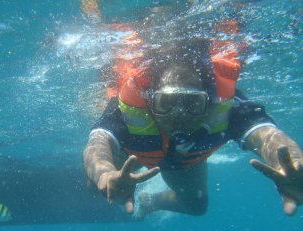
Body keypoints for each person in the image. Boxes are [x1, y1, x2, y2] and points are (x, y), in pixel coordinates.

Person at [82, 34, 303, 220]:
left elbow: (267, 135)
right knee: (96, 188)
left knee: (197, 207)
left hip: (184, 164)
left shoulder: (228, 107)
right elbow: (98, 143)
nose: (179, 115)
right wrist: (104, 174)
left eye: (192, 103)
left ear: (208, 103)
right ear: (150, 101)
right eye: (165, 103)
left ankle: (150, 200)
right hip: (130, 153)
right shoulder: (126, 108)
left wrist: (294, 163)